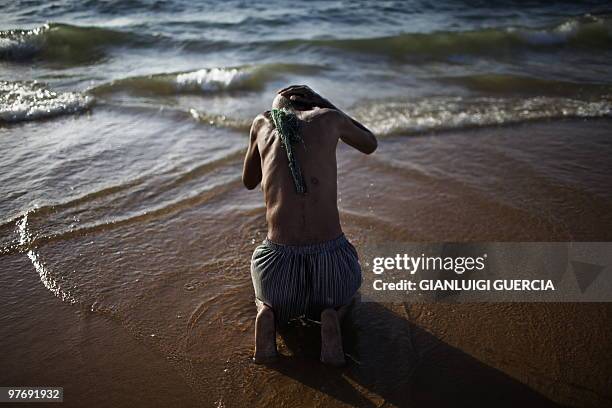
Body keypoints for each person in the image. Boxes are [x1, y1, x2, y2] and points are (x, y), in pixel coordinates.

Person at [243, 85, 377, 366]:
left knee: (263, 284)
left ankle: (267, 311)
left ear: (275, 110)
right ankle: (332, 315)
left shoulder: (261, 122)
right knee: (347, 296)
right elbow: (370, 143)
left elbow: (249, 180)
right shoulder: (330, 118)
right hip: (332, 271)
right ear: (312, 106)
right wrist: (328, 105)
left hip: (278, 273)